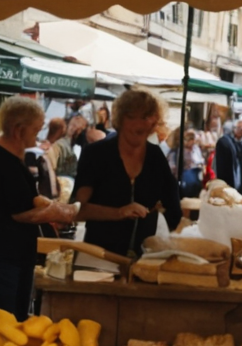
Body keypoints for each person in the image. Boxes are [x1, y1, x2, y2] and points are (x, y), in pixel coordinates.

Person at [0, 97, 76, 316]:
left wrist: (49, 205)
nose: (39, 135)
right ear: (18, 130)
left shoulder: (14, 159)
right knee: (4, 324)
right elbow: (21, 213)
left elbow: (28, 199)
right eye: (36, 129)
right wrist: (57, 212)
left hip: (13, 258)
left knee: (16, 320)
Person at [72, 87, 182, 257]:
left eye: (147, 118)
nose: (142, 123)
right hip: (99, 256)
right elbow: (77, 209)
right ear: (121, 119)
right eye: (135, 117)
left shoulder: (156, 156)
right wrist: (119, 212)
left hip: (144, 257)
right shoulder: (96, 154)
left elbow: (173, 208)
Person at [213, 117, 242, 192]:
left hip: (241, 181)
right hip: (228, 182)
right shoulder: (224, 142)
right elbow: (221, 166)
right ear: (234, 129)